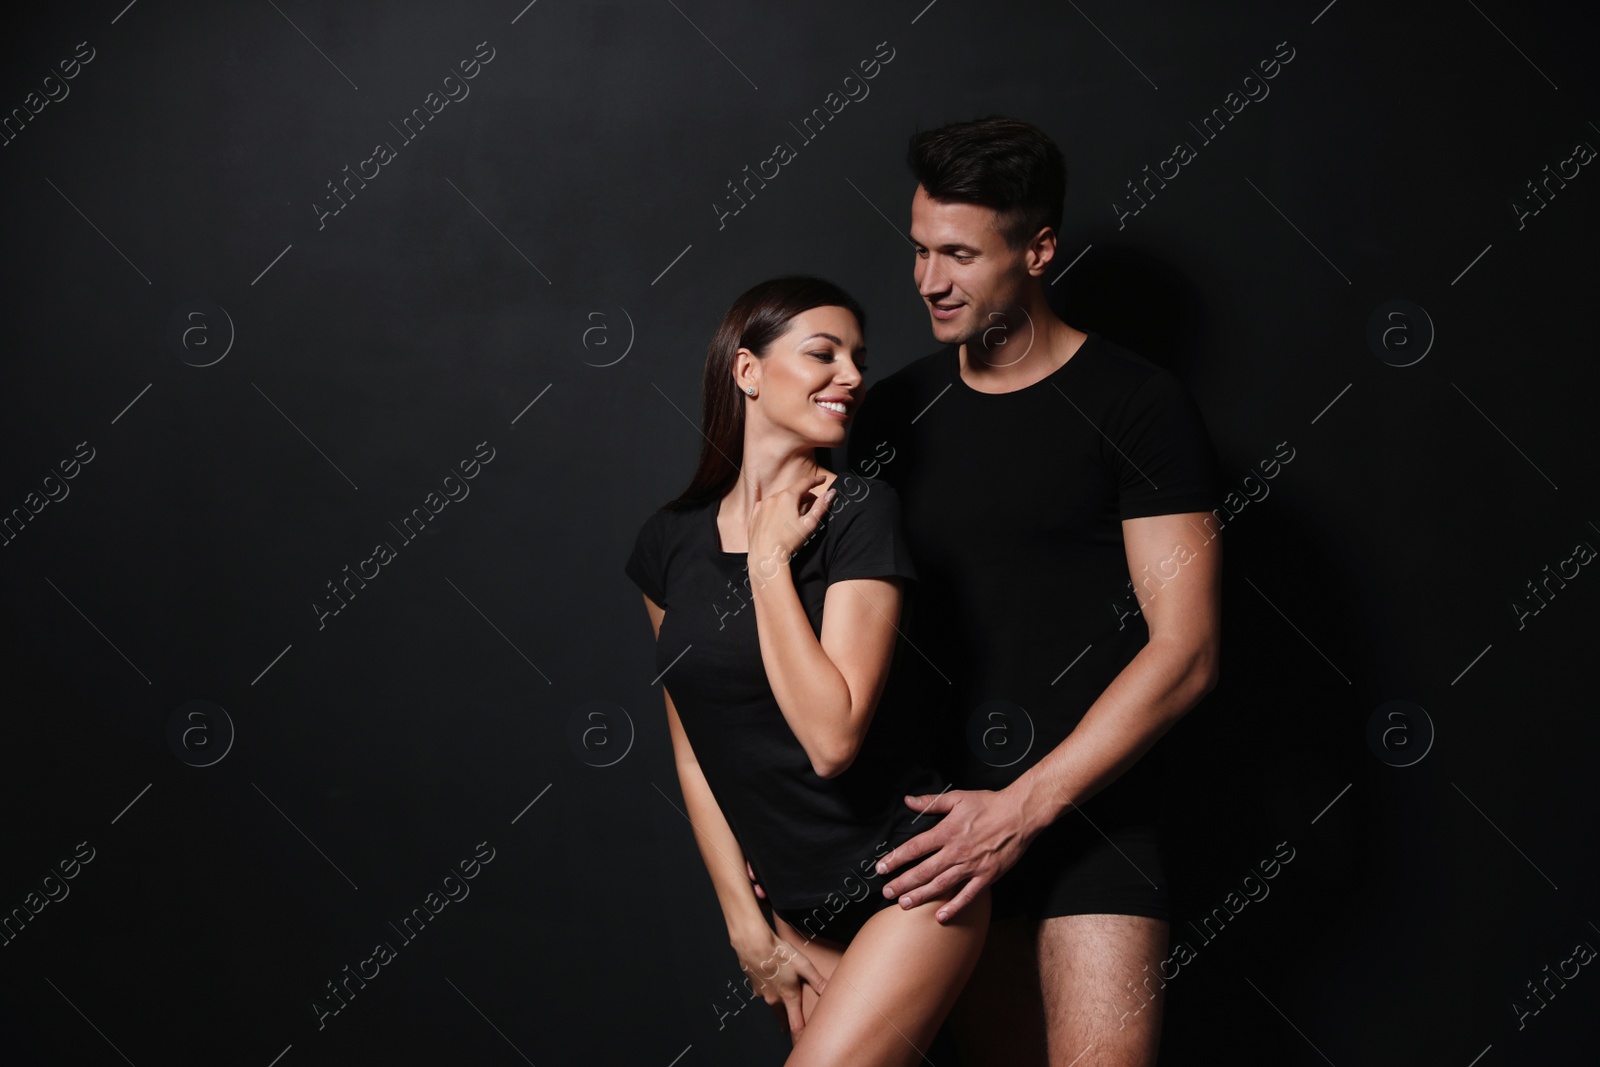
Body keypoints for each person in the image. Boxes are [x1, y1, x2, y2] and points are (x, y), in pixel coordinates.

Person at [838, 116, 1225, 1066]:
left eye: (961, 254)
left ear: (1039, 249)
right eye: (921, 249)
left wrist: (1024, 806)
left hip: (1091, 814)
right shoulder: (887, 413)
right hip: (932, 829)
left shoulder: (1138, 403)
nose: (929, 280)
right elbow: (833, 640)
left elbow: (1188, 651)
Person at [624, 275, 991, 1066]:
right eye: (823, 353)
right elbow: (695, 750)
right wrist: (745, 926)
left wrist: (767, 563)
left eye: (859, 358)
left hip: (907, 882)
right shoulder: (669, 542)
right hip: (792, 912)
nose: (852, 376)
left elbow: (832, 737)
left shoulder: (862, 513)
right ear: (747, 371)